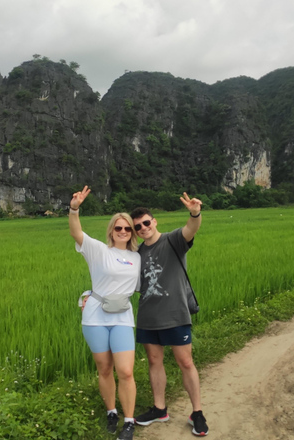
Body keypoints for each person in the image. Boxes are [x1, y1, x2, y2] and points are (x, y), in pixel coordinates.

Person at [131, 193, 209, 437]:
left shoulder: (173, 240)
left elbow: (191, 228)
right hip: (148, 316)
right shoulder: (136, 254)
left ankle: (197, 412)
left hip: (175, 313)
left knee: (185, 362)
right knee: (154, 362)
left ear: (154, 221)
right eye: (137, 226)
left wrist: (195, 212)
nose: (143, 228)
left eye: (146, 223)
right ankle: (159, 408)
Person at [69, 186, 140, 440]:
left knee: (126, 371)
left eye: (127, 228)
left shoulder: (137, 256)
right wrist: (74, 208)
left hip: (122, 317)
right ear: (111, 230)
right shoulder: (98, 250)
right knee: (104, 368)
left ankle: (129, 420)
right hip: (96, 318)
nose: (122, 231)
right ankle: (112, 411)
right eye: (118, 227)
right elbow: (76, 232)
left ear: (132, 232)